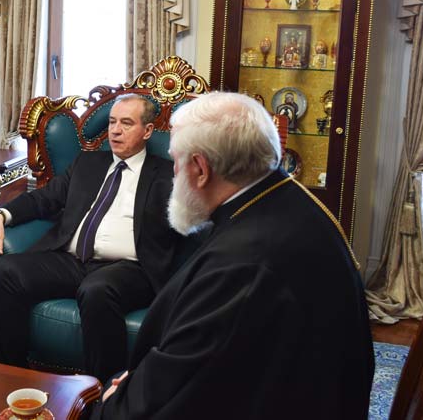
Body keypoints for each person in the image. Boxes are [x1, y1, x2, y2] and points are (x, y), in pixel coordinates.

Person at [92, 92, 374, 419]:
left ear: (201, 169)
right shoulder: (284, 198)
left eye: (176, 162)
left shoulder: (242, 264)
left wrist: (117, 400)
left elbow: (180, 391)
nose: (174, 174)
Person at [0, 94, 183, 383]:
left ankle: (102, 392)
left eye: (126, 123)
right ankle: (10, 378)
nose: (115, 130)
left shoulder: (168, 175)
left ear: (147, 131)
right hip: (71, 260)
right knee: (4, 271)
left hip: (130, 268)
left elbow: (192, 220)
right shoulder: (87, 163)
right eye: (112, 122)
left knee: (96, 290)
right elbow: (43, 199)